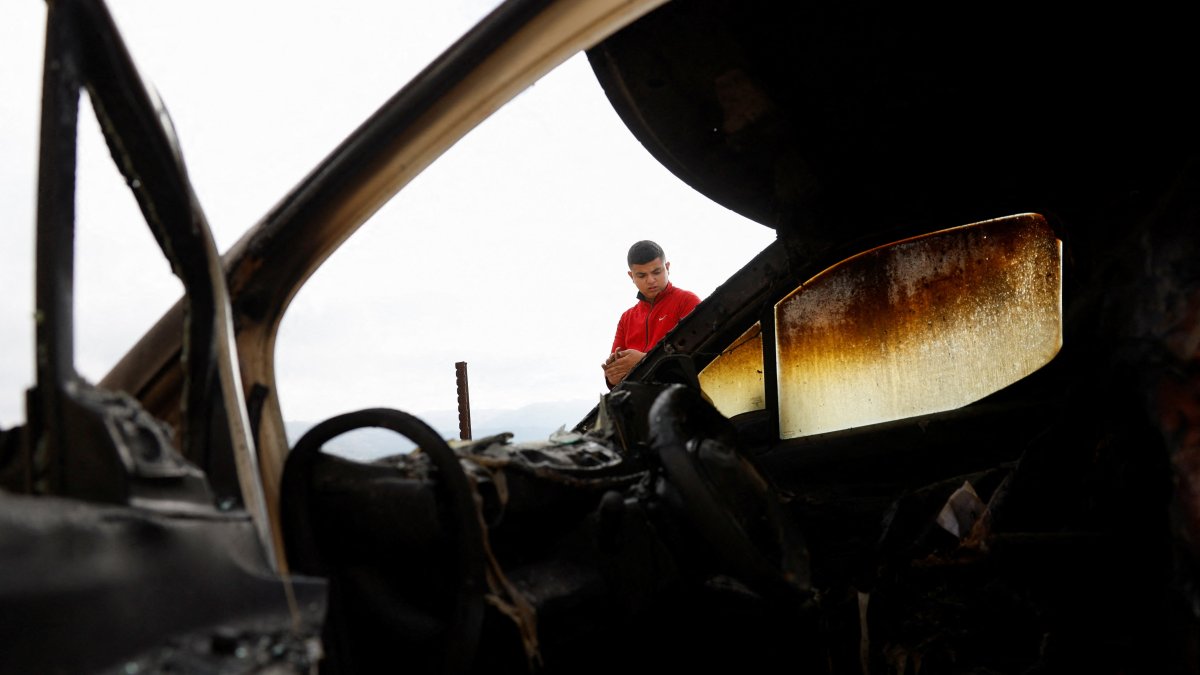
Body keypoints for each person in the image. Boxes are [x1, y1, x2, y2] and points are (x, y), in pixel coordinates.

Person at [603, 240, 701, 387]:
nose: (651, 280)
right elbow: (618, 374)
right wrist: (612, 377)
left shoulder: (687, 301)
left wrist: (643, 361)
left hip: (680, 399)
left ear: (667, 267)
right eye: (642, 275)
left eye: (656, 272)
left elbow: (699, 357)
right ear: (631, 276)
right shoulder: (626, 318)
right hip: (639, 403)